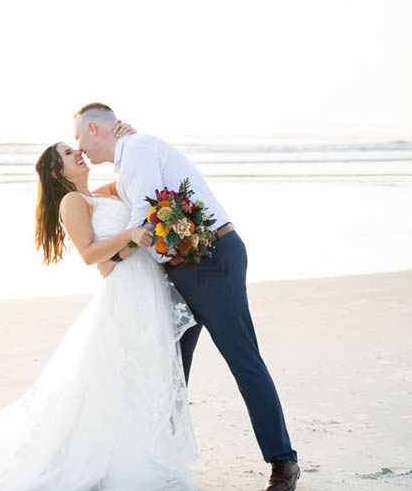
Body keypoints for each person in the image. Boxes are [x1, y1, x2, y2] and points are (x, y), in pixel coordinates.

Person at [0, 123, 203, 490]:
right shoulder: (72, 202)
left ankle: (146, 452)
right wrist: (127, 237)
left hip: (146, 291)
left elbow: (140, 185)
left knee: (146, 375)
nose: (78, 152)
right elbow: (89, 255)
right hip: (125, 297)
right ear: (56, 172)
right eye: (68, 153)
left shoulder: (107, 192)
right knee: (122, 377)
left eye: (75, 148)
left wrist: (129, 137)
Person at [74, 103, 300, 491]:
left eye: (79, 137)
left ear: (94, 129)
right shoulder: (128, 163)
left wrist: (110, 261)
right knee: (169, 369)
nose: (79, 147)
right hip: (179, 270)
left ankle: (284, 462)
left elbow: (143, 221)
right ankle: (160, 458)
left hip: (211, 259)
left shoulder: (139, 149)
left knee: (242, 360)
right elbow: (110, 201)